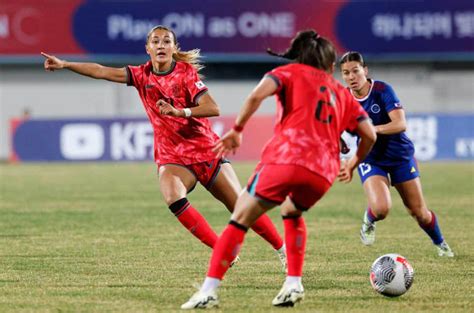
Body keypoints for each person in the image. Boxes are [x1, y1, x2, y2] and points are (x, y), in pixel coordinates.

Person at [41, 25, 287, 268]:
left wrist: (180, 111)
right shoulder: (140, 75)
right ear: (148, 48)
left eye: (166, 41)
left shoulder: (185, 73)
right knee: (173, 197)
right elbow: (101, 71)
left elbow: (213, 108)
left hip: (205, 151)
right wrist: (65, 64)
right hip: (173, 156)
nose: (161, 45)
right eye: (156, 41)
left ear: (173, 48)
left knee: (241, 208)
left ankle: (281, 248)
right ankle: (224, 251)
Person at [181, 30, 377, 309]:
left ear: (299, 56)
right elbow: (369, 134)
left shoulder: (289, 72)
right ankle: (293, 283)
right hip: (322, 173)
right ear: (330, 66)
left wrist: (236, 130)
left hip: (286, 159)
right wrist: (354, 162)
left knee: (240, 217)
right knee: (291, 210)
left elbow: (256, 95)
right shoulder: (341, 94)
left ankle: (209, 290)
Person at [339, 51, 454, 257]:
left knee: (419, 213)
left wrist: (373, 130)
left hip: (400, 156)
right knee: (381, 209)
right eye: (346, 73)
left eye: (355, 71)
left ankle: (440, 243)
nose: (351, 77)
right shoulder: (343, 100)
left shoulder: (382, 90)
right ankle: (369, 220)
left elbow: (400, 124)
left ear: (365, 71)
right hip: (372, 159)